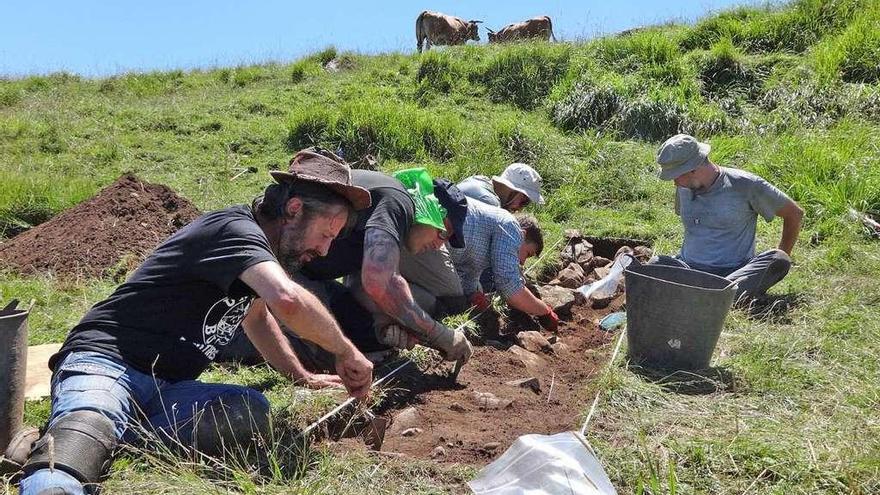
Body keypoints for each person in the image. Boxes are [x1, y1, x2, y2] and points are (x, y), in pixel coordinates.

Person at [18, 149, 376, 495]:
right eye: (326, 233)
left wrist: (302, 377)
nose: (326, 250)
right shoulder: (234, 230)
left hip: (168, 387)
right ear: (294, 210)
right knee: (80, 436)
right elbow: (286, 300)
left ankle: (104, 440)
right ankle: (72, 449)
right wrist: (345, 351)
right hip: (108, 362)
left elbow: (256, 318)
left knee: (248, 410)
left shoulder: (259, 253)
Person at [299, 165, 474, 364]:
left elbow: (368, 283)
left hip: (307, 275)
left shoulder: (393, 211)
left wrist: (387, 321)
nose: (439, 245)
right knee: (328, 353)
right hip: (284, 272)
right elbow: (381, 282)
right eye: (442, 233)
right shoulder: (396, 203)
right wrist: (439, 334)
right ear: (429, 209)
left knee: (365, 335)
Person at [652, 134, 804, 303]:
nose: (675, 183)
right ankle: (715, 298)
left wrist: (783, 251)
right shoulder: (685, 186)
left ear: (693, 168)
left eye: (676, 176)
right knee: (654, 265)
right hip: (688, 269)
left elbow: (794, 213)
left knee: (779, 259)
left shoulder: (745, 184)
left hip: (733, 274)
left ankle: (712, 295)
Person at [397, 179, 559, 336]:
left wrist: (474, 294)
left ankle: (397, 286)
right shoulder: (511, 227)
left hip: (430, 239)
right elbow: (510, 287)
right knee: (453, 297)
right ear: (522, 235)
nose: (523, 262)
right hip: (428, 235)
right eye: (528, 254)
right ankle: (395, 301)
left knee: (463, 294)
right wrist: (545, 312)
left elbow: (470, 273)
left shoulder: (494, 230)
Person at [457, 162, 545, 212]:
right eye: (524, 201)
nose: (520, 209)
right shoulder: (490, 203)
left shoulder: (478, 179)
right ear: (514, 190)